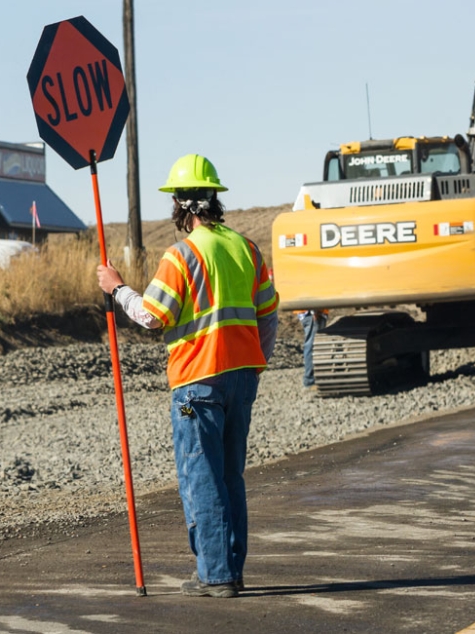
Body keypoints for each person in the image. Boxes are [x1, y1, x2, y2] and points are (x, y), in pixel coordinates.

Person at [96, 153, 278, 598]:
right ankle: (230, 571)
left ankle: (215, 576)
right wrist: (257, 362)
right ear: (213, 199)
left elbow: (153, 316)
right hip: (241, 377)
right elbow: (269, 312)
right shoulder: (246, 248)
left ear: (180, 204)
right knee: (231, 476)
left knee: (203, 478)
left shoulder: (181, 255)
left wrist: (117, 289)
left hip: (198, 381)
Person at [297, 309, 328, 387]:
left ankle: (313, 378)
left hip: (315, 314)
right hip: (312, 314)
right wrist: (314, 312)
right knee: (311, 345)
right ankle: (309, 380)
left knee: (314, 345)